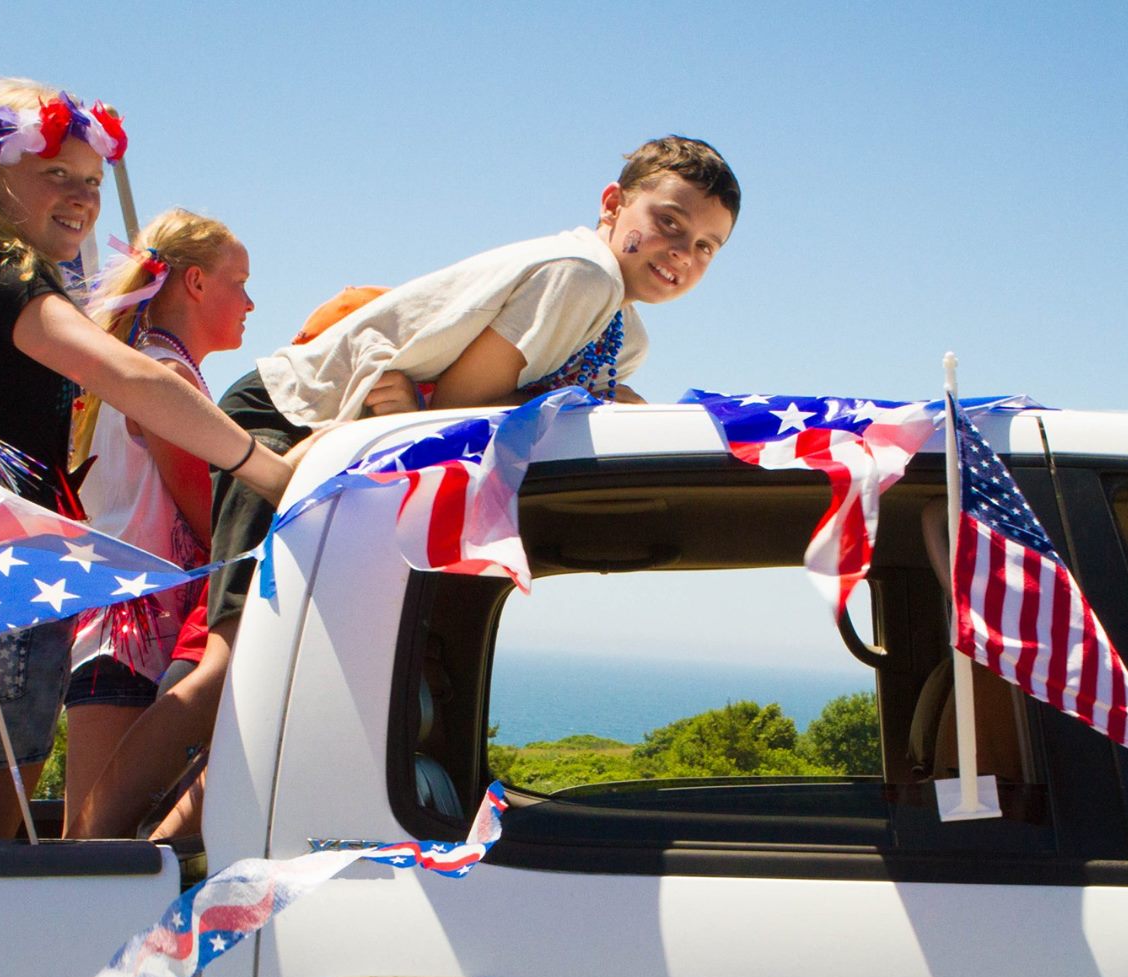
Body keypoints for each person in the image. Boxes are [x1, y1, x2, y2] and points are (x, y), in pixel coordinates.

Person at [71, 135, 741, 840]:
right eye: (670, 222)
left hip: (360, 448)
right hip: (294, 420)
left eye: (706, 246)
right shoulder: (582, 274)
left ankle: (156, 854)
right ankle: (85, 856)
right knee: (233, 666)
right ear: (613, 202)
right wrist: (422, 413)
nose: (683, 252)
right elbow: (465, 399)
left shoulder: (623, 334)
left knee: (287, 696)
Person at [0, 78, 301, 839]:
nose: (81, 197)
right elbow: (126, 377)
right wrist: (268, 470)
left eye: (91, 182)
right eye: (55, 174)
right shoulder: (11, 278)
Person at [62, 208, 253, 835]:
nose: (250, 302)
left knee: (104, 842)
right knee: (94, 846)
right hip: (135, 634)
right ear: (195, 283)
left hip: (119, 624)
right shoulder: (165, 376)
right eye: (240, 282)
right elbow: (210, 521)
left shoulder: (140, 365)